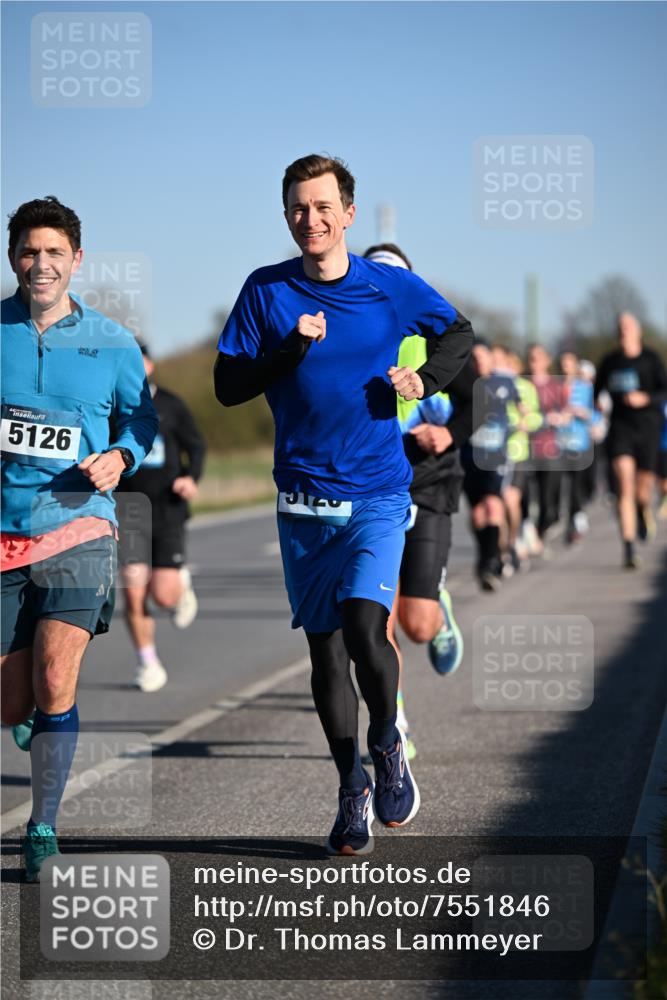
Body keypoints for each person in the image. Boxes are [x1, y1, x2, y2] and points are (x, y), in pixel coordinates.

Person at [214, 154, 473, 855]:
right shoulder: (265, 293)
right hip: (302, 502)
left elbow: (458, 332)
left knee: (366, 629)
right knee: (325, 656)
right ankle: (349, 785)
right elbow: (228, 387)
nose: (311, 219)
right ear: (286, 214)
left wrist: (423, 378)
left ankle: (387, 743)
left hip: (379, 494)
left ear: (348, 214)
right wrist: (288, 353)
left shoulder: (387, 287)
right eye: (299, 207)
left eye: (323, 206)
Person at [1, 196, 157, 881]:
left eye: (54, 252)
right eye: (30, 251)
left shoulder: (113, 343)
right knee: (13, 701)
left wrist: (120, 456)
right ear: (13, 258)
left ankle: (42, 828)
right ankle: (34, 715)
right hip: (4, 529)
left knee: (56, 675)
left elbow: (142, 420)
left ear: (76, 260)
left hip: (79, 526)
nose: (41, 264)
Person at [361, 243, 476, 760]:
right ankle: (395, 721)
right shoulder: (355, 338)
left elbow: (482, 400)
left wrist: (450, 434)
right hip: (374, 488)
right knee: (376, 620)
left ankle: (439, 605)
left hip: (430, 485)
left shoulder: (440, 336)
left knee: (418, 624)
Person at [115, 341, 206, 692]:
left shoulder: (170, 404)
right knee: (133, 592)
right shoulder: (112, 405)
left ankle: (180, 588)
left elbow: (195, 445)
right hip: (128, 509)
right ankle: (148, 662)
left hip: (168, 506)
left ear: (150, 366)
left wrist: (190, 477)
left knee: (163, 597)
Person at [594, 313, 667, 568]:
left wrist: (645, 399)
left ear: (639, 330)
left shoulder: (651, 359)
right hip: (621, 428)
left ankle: (642, 507)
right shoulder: (610, 361)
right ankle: (628, 549)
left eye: (628, 326)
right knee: (624, 486)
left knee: (642, 487)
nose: (623, 330)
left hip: (648, 427)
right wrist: (596, 409)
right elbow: (596, 391)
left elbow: (664, 391)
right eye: (620, 326)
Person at [461, 338, 520, 591]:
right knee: (477, 513)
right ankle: (485, 556)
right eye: (473, 358)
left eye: (482, 357)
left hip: (496, 457)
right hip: (470, 457)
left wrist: (522, 420)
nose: (479, 362)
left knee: (494, 505)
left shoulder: (504, 383)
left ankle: (491, 561)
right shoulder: (462, 385)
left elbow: (522, 408)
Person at [526, 343, 569, 542]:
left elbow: (567, 413)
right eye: (531, 358)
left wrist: (558, 417)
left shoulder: (556, 385)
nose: (534, 362)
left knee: (547, 497)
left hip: (550, 447)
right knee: (524, 495)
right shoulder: (523, 383)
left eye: (538, 358)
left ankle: (543, 527)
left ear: (547, 361)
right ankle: (528, 531)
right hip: (525, 447)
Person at [558, 350, 596, 543]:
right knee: (560, 484)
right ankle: (568, 519)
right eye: (563, 364)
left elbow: (595, 412)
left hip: (580, 442)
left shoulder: (586, 388)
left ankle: (577, 517)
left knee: (577, 483)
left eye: (569, 364)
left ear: (575, 366)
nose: (565, 368)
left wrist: (584, 413)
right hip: (558, 442)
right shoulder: (555, 386)